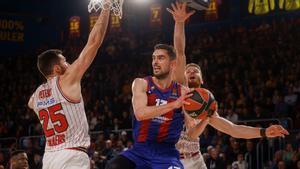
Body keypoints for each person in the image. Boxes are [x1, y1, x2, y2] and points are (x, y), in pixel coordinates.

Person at [167, 2, 290, 169]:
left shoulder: (206, 107)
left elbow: (233, 129)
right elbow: (180, 51)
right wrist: (179, 22)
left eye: (196, 70)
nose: (191, 71)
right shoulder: (179, 88)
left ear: (202, 80)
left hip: (195, 160)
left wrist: (263, 132)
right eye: (188, 70)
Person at [27, 5, 111, 169]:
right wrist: (106, 7)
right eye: (65, 61)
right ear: (57, 69)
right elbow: (94, 42)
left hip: (49, 158)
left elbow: (30, 103)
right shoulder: (66, 80)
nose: (69, 63)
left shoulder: (36, 96)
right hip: (72, 155)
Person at [105, 18, 195, 169]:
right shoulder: (141, 83)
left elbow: (180, 52)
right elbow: (140, 114)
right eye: (153, 58)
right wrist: (174, 104)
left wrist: (196, 117)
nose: (155, 62)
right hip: (140, 150)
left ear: (172, 64)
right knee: (113, 166)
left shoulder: (182, 91)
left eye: (160, 58)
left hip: (167, 153)